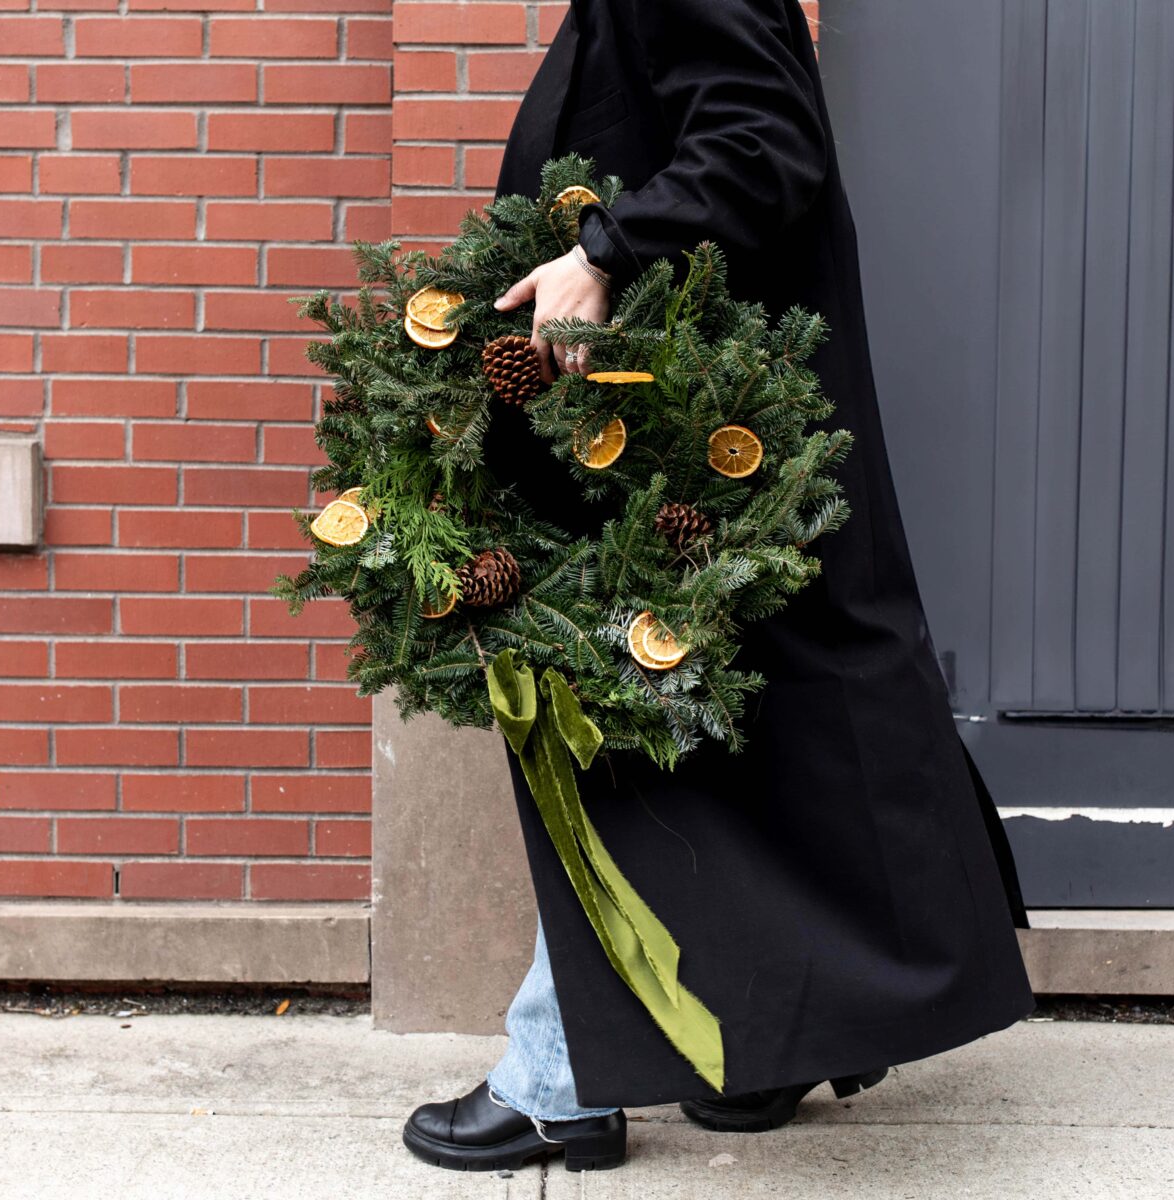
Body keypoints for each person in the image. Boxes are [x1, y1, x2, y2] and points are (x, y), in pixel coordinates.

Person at [400, 0, 1035, 1173]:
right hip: (696, 431)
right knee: (743, 737)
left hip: (705, 437)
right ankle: (763, 1060)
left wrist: (602, 256)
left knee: (618, 734)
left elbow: (762, 139)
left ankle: (559, 1080)